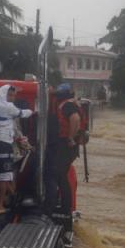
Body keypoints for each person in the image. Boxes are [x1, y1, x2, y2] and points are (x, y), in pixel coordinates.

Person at [0, 84, 33, 214]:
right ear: (3, 94)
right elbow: (22, 114)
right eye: (10, 95)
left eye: (14, 95)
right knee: (5, 176)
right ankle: (0, 206)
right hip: (3, 145)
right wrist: (34, 111)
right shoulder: (8, 107)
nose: (12, 98)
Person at [45, 83, 82, 216]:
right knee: (61, 176)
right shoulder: (69, 102)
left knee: (59, 176)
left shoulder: (67, 105)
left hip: (66, 145)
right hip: (66, 146)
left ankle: (64, 208)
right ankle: (65, 207)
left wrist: (70, 137)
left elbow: (75, 118)